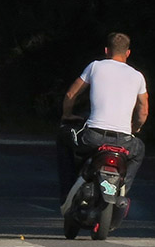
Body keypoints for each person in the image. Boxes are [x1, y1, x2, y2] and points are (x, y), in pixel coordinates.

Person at [57, 32, 149, 203]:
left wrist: (67, 115)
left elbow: (71, 94)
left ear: (106, 50)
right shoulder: (138, 76)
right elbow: (143, 110)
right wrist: (135, 129)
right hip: (124, 141)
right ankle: (122, 189)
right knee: (139, 149)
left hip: (93, 137)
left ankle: (68, 190)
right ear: (128, 53)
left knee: (64, 137)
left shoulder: (95, 67)